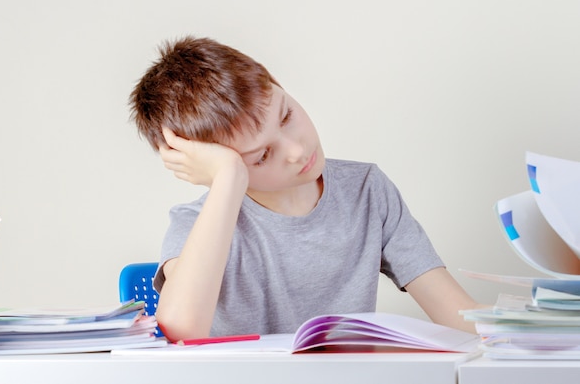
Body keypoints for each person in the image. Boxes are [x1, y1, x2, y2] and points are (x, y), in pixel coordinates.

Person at [129, 36, 480, 342]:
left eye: (286, 116)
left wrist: (525, 327)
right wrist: (227, 179)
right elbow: (181, 328)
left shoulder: (366, 192)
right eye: (262, 156)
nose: (296, 151)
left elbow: (457, 315)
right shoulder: (198, 224)